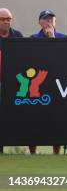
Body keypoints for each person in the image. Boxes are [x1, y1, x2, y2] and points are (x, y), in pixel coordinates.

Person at [30, 9, 66, 155]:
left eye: (51, 19)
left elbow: (63, 59)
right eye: (45, 19)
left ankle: (56, 153)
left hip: (57, 84)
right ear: (40, 22)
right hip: (37, 84)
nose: (49, 22)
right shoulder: (33, 38)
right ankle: (32, 152)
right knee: (34, 118)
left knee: (56, 118)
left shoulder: (63, 38)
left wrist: (52, 40)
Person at [0, 8, 23, 154]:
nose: (6, 21)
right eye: (3, 19)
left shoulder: (17, 35)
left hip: (15, 83)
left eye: (9, 18)